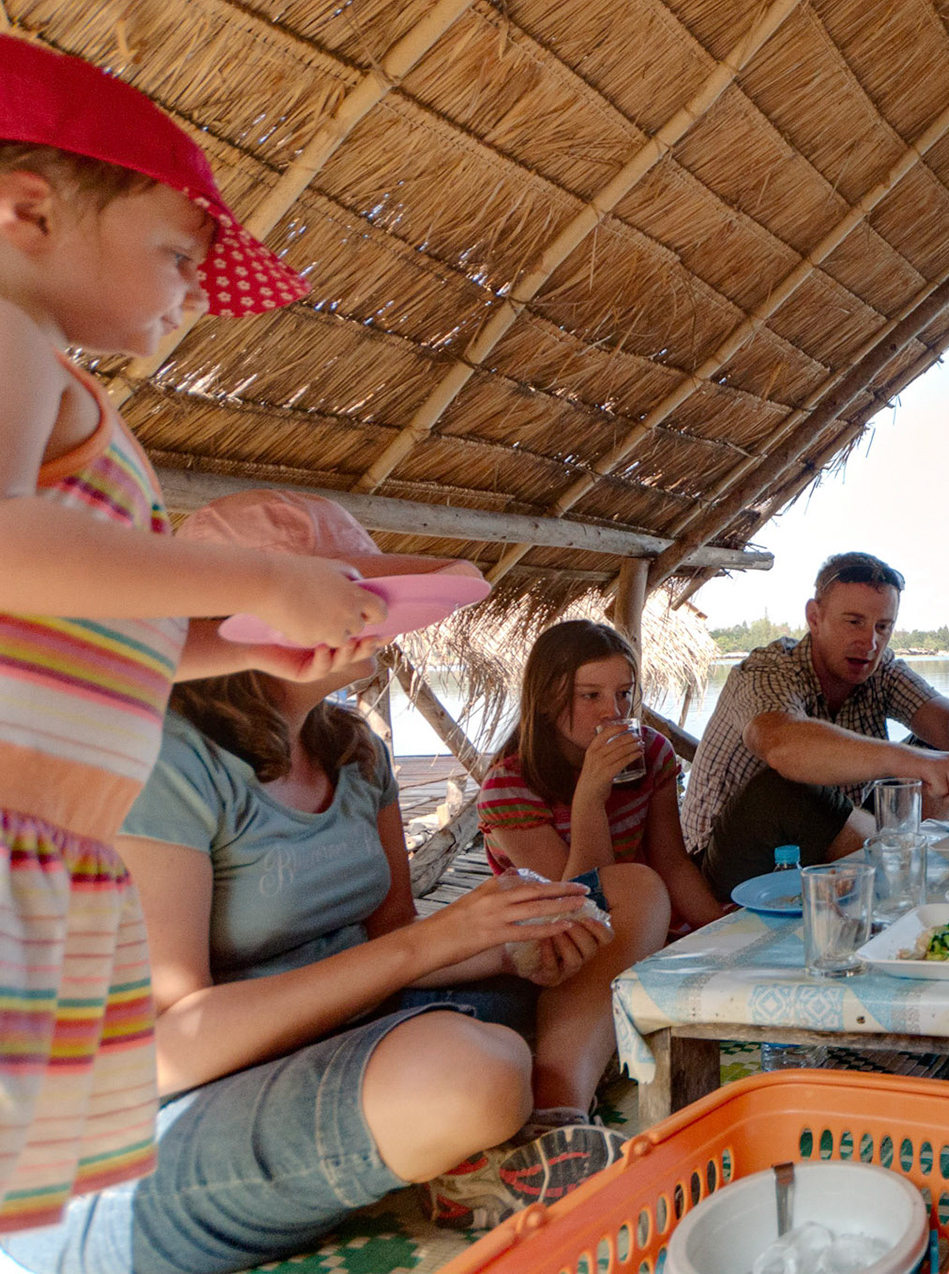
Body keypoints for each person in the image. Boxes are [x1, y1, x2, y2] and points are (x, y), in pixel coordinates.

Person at [0, 491, 645, 1274]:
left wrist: (508, 947)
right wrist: (440, 944)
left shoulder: (355, 752)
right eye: (347, 594)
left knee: (626, 897)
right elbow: (166, 1045)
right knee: (468, 1074)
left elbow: (393, 944)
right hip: (176, 1109)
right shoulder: (166, 760)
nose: (371, 614)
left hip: (360, 1028)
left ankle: (552, 1114)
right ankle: (480, 1127)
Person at [0, 40, 386, 1230]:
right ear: (27, 211)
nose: (188, 292)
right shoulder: (8, 342)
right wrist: (262, 573)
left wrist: (246, 648)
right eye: (177, 254)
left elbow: (81, 627)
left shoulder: (54, 377)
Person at [682, 552, 949, 894]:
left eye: (883, 626)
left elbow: (947, 715)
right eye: (854, 622)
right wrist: (909, 761)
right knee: (789, 787)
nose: (870, 642)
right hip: (725, 863)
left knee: (941, 746)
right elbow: (782, 745)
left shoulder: (881, 669)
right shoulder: (768, 670)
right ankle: (904, 871)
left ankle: (905, 868)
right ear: (815, 617)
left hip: (831, 836)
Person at [478, 619, 727, 1103]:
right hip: (558, 942)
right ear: (548, 699)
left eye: (624, 695)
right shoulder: (508, 787)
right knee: (621, 891)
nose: (612, 712)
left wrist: (719, 929)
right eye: (590, 695)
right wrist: (590, 797)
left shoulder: (651, 753)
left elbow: (672, 864)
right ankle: (566, 1087)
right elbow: (576, 902)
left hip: (638, 919)